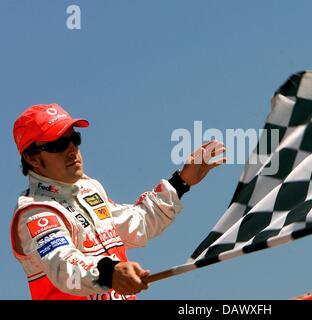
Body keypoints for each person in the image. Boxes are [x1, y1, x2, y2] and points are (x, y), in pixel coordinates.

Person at [10, 103, 226, 300]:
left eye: (74, 139)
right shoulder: (35, 212)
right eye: (58, 144)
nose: (72, 149)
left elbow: (138, 224)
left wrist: (182, 181)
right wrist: (109, 272)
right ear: (32, 158)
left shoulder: (89, 189)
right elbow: (62, 266)